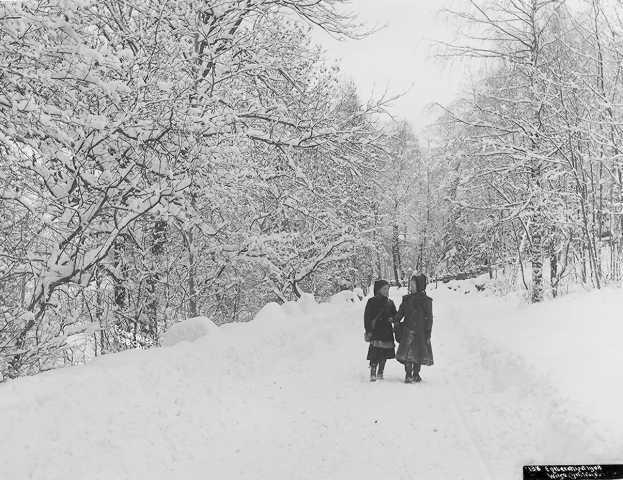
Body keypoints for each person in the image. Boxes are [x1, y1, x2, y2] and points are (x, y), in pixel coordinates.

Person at [394, 274, 434, 383]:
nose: (411, 287)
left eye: (413, 285)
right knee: (407, 355)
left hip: (421, 332)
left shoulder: (426, 301)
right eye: (410, 285)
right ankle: (408, 374)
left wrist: (428, 332)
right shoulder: (406, 299)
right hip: (408, 330)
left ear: (420, 286)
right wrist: (395, 319)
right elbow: (400, 313)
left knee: (418, 354)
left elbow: (429, 318)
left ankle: (416, 374)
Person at [363, 280, 397, 382]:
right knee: (375, 352)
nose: (387, 291)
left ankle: (381, 371)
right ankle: (373, 370)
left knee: (385, 352)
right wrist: (368, 330)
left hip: (387, 331)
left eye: (388, 289)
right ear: (378, 290)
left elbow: (395, 314)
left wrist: (393, 318)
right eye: (385, 289)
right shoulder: (371, 302)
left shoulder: (390, 303)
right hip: (376, 331)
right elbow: (367, 317)